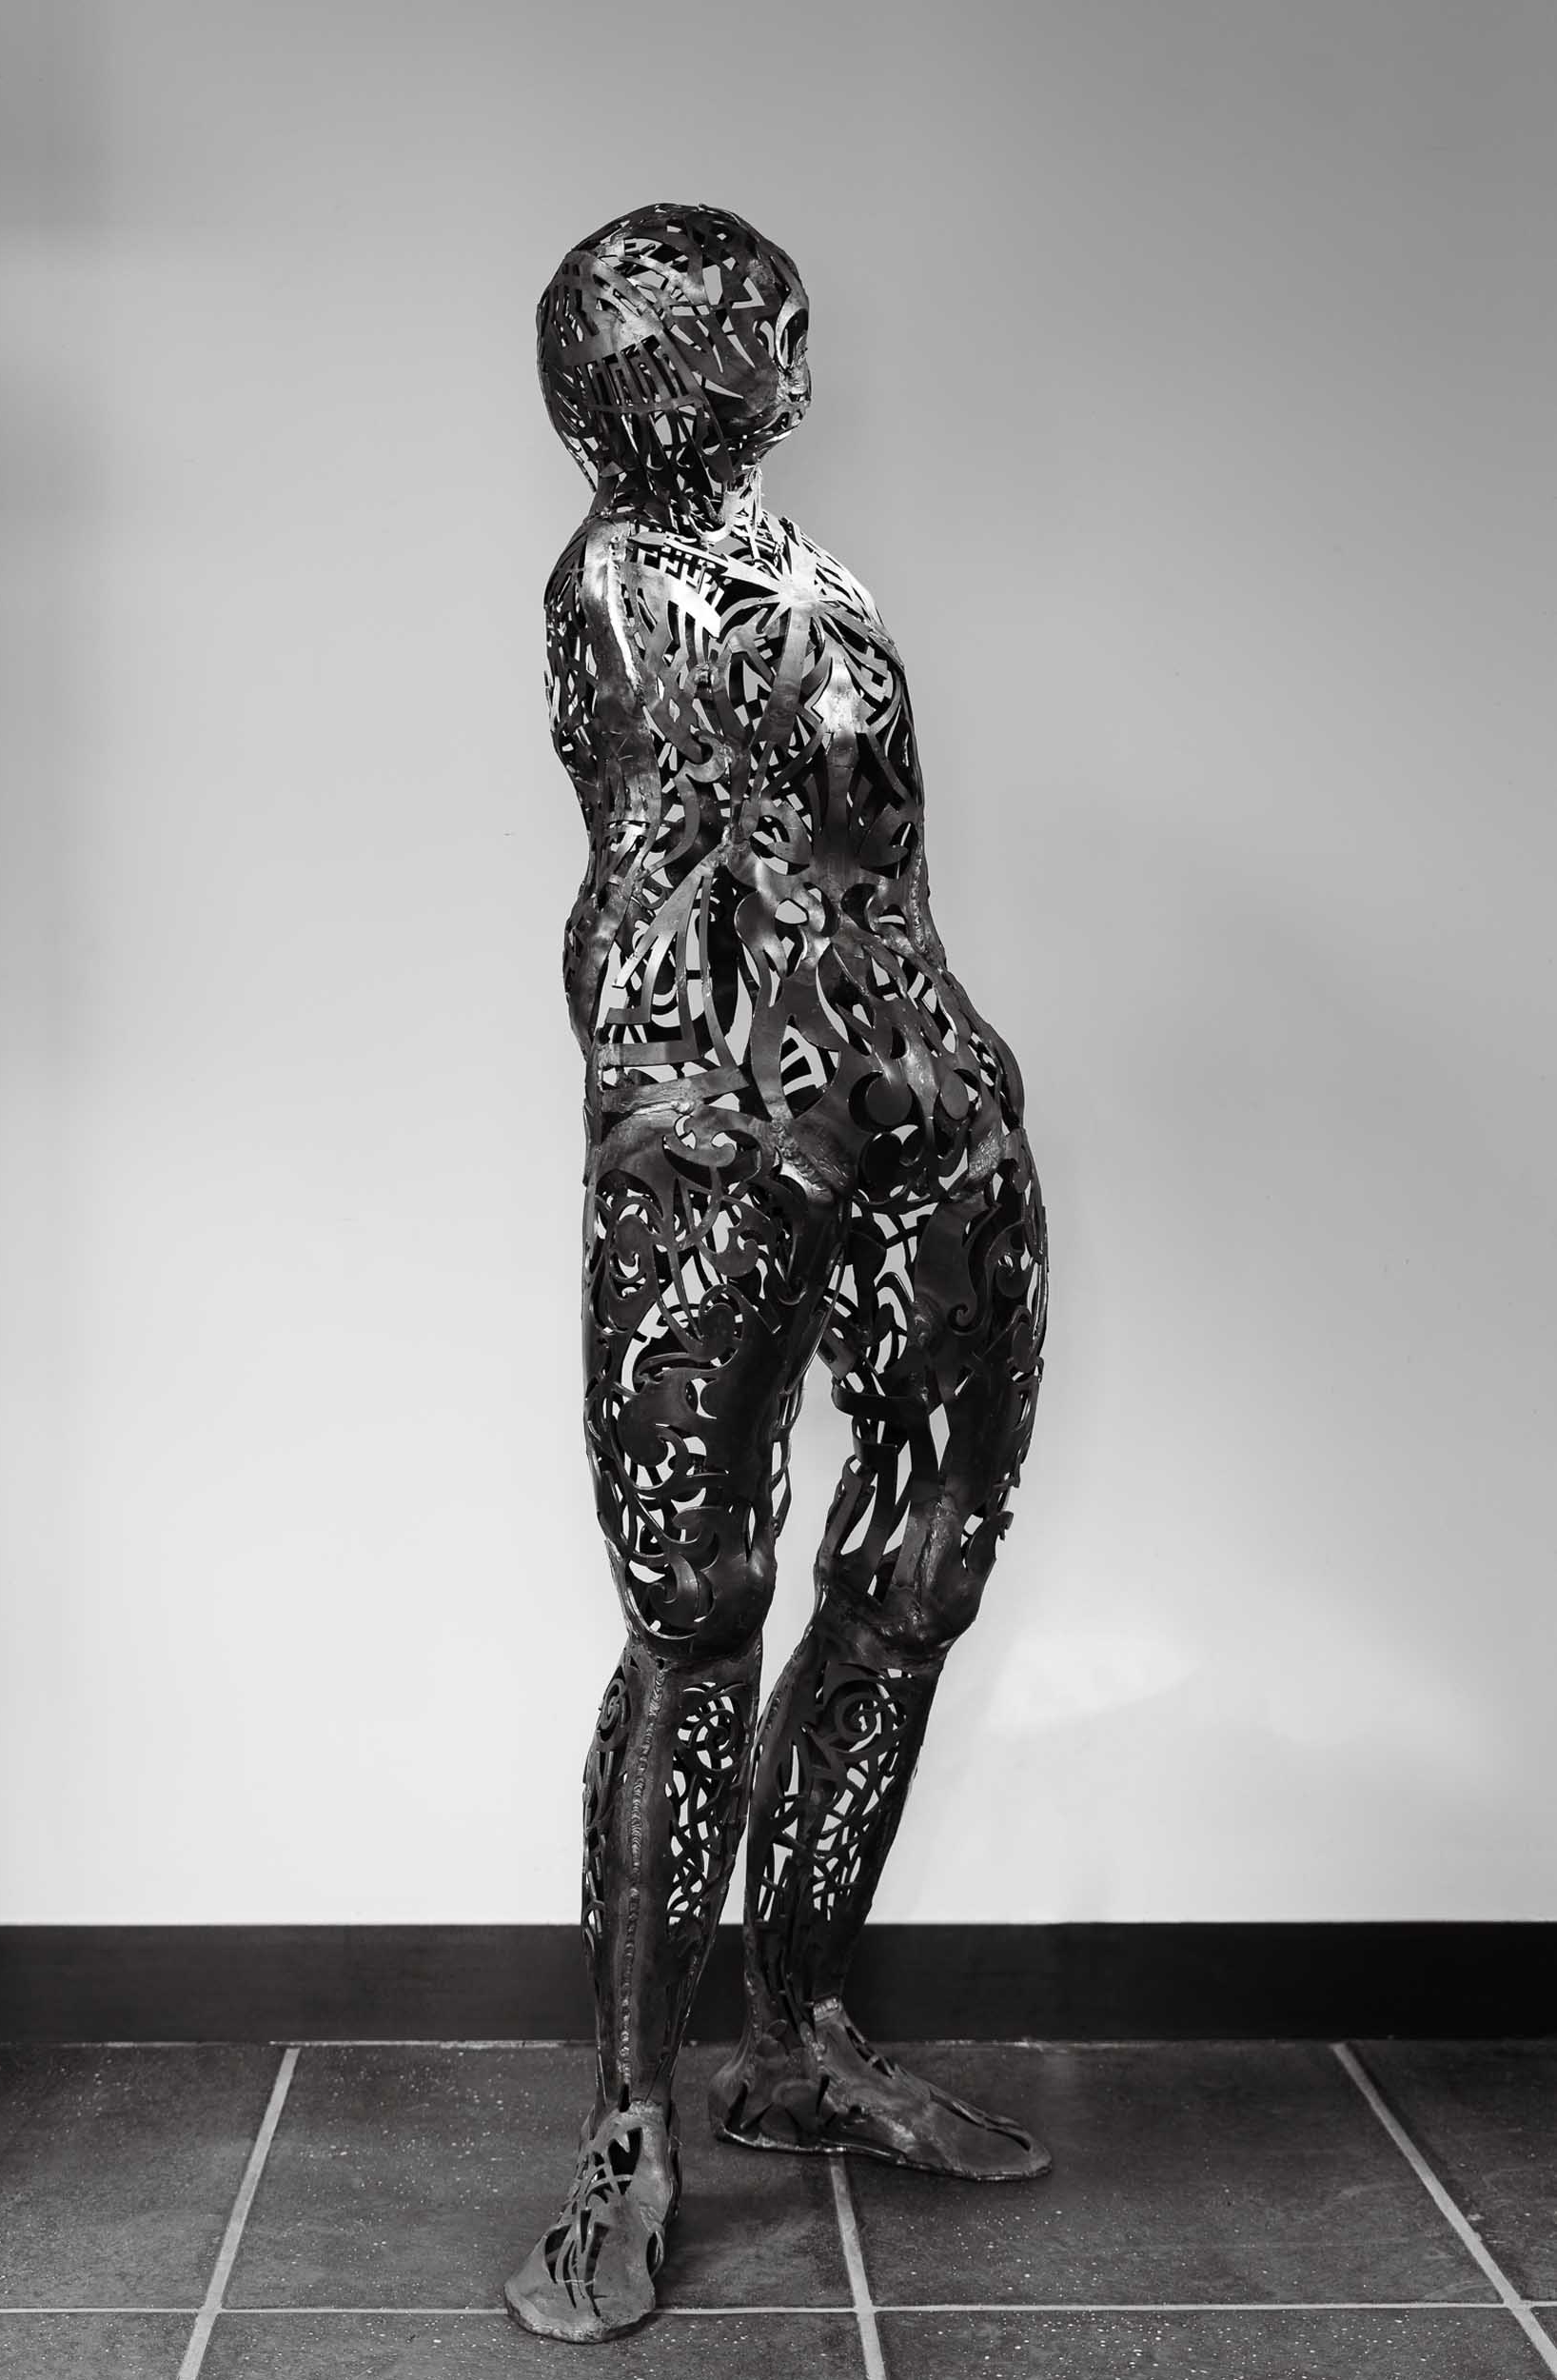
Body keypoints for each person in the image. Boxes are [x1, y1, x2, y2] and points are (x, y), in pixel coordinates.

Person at [506, 201, 1052, 2344]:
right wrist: (741, 1128)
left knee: (917, 1570)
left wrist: (945, 1093)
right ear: (673, 368)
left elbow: (870, 871)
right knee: (695, 1622)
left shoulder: (806, 568)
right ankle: (629, 2130)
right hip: (724, 1158)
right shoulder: (615, 590)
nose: (796, 354)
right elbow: (654, 919)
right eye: (760, 326)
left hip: (927, 1120)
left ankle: (802, 2030)